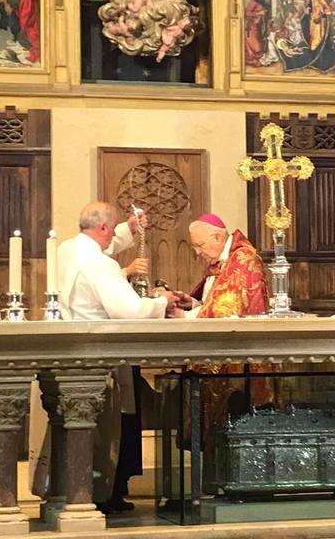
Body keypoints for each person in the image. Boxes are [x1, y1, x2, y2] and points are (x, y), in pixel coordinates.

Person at [29, 202, 173, 514]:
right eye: (112, 229)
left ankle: (64, 490)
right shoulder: (99, 264)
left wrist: (128, 230)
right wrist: (162, 303)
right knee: (103, 431)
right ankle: (95, 495)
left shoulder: (67, 249)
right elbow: (131, 311)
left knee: (70, 425)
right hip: (98, 359)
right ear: (104, 228)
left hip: (69, 354)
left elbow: (101, 248)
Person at [166, 214, 275, 435]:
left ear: (216, 237)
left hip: (239, 359)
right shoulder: (223, 262)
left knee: (232, 425)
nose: (197, 252)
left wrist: (185, 317)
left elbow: (227, 309)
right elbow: (215, 300)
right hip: (218, 351)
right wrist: (193, 303)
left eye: (200, 245)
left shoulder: (243, 260)